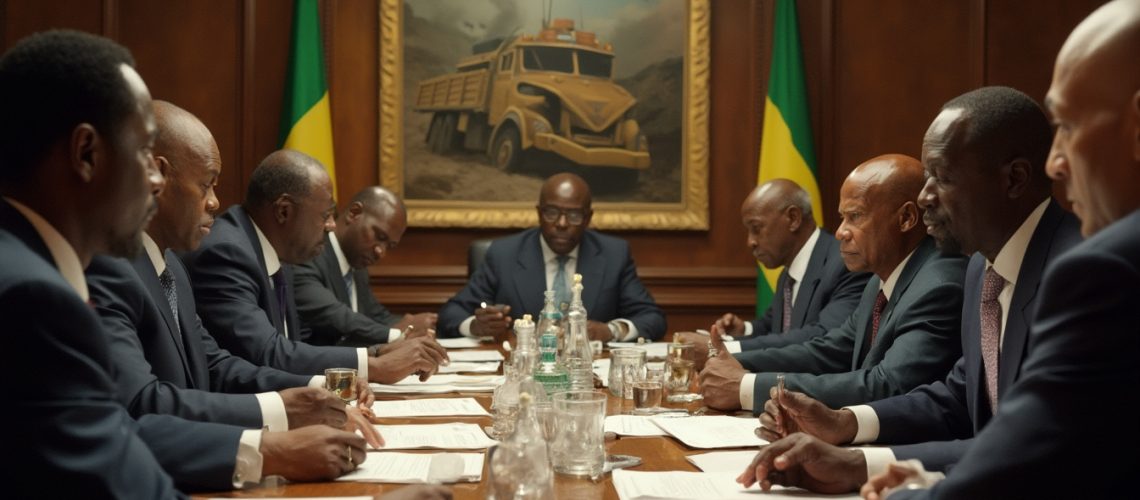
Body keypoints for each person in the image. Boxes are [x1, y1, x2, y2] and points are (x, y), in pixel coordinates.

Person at [0, 30, 368, 496]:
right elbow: (122, 456)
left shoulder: (38, 266)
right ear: (87, 154)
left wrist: (287, 405)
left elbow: (142, 417)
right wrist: (267, 448)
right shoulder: (32, 297)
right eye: (143, 154)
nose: (156, 180)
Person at [736, 86, 1082, 494]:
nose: (924, 196)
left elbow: (1041, 449)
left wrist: (883, 478)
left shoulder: (1079, 275)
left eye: (942, 176)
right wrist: (847, 430)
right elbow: (958, 398)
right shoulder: (980, 268)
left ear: (1014, 179)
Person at [859, 2, 1139, 497]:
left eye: (1069, 129)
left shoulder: (1097, 268)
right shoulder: (979, 270)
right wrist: (855, 449)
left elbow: (1036, 454)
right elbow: (976, 404)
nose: (1057, 163)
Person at [87, 101, 379, 434]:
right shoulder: (110, 268)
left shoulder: (172, 268)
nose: (214, 202)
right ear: (157, 177)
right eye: (206, 184)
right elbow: (142, 402)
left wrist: (321, 386)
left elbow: (215, 366)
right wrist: (284, 411)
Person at [701, 154, 967, 412]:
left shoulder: (938, 284)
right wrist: (730, 360)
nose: (840, 231)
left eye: (855, 216)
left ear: (906, 218)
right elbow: (829, 350)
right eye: (842, 218)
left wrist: (747, 387)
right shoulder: (880, 281)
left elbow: (888, 385)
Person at [181, 149, 449, 383]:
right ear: (284, 211)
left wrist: (376, 352)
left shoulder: (279, 253)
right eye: (325, 215)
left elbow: (292, 348)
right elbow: (268, 353)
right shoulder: (226, 252)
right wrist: (374, 366)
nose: (332, 225)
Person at [437, 172, 666, 342]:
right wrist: (477, 326)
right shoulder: (504, 254)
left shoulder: (613, 254)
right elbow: (451, 313)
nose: (562, 224)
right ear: (539, 213)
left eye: (574, 215)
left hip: (589, 376)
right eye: (552, 213)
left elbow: (652, 318)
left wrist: (612, 330)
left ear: (588, 218)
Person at [679, 179, 871, 367]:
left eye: (756, 228)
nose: (750, 242)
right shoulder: (789, 272)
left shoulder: (845, 264)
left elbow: (822, 336)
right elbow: (775, 325)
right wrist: (744, 329)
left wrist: (724, 348)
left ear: (793, 219)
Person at [294, 185, 438, 347]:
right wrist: (399, 334)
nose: (380, 252)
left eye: (389, 245)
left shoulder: (357, 268)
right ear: (354, 213)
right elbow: (336, 316)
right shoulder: (309, 254)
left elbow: (377, 317)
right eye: (379, 236)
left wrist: (416, 325)